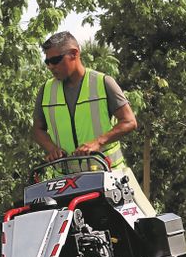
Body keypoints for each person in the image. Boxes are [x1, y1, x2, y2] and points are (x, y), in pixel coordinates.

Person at [32, 31, 155, 216]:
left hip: (109, 178)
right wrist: (51, 148)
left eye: (55, 60)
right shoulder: (46, 90)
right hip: (66, 184)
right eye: (47, 62)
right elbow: (37, 129)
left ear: (74, 53)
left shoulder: (103, 82)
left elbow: (129, 121)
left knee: (143, 228)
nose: (50, 66)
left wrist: (98, 142)